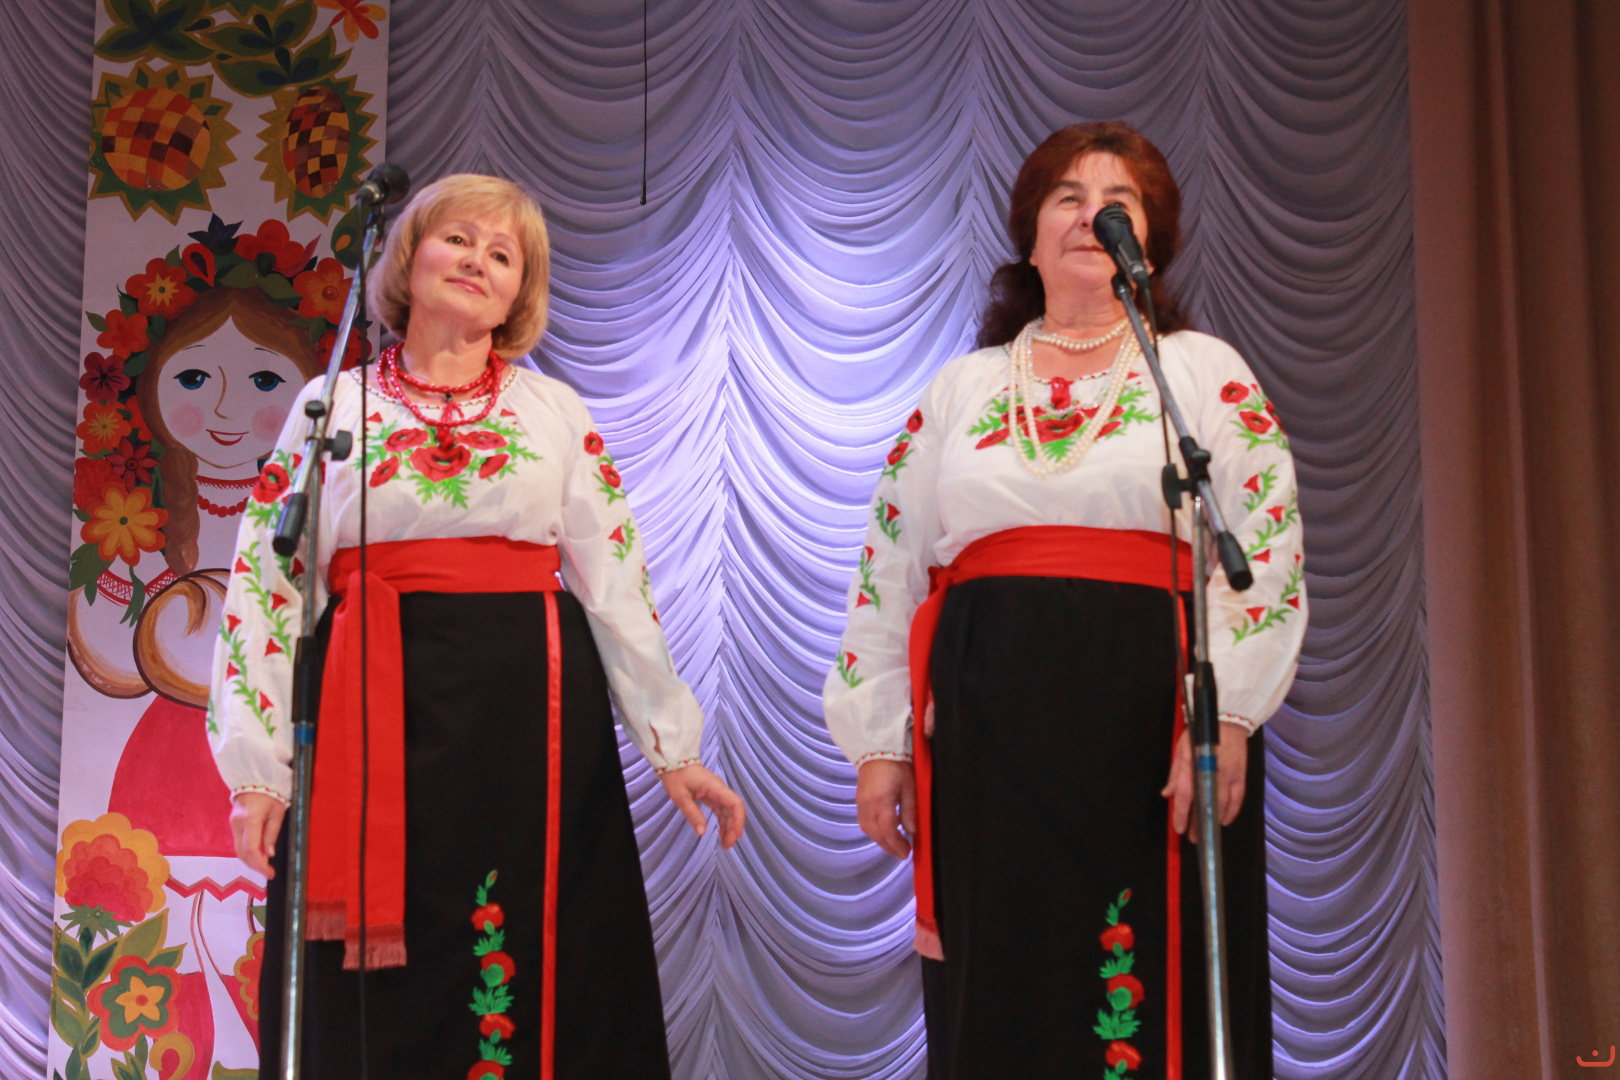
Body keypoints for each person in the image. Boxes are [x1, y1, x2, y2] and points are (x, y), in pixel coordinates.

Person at [210, 174, 746, 1079]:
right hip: (367, 708)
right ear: (408, 258)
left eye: (503, 255)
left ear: (518, 294)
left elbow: (615, 582)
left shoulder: (552, 411)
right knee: (382, 976)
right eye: (457, 239)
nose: (476, 262)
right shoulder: (333, 406)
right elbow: (267, 585)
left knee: (524, 944)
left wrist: (672, 746)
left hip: (528, 713)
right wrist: (259, 771)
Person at [823, 122, 1306, 1079]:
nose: (1092, 217)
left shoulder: (1201, 371)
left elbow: (1263, 549)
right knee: (1010, 976)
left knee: (1148, 974)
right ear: (1031, 238)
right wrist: (881, 744)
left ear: (1150, 241)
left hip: (1149, 718)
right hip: (989, 725)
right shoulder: (962, 386)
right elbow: (891, 566)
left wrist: (1226, 718)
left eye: (1118, 203)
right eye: (1068, 199)